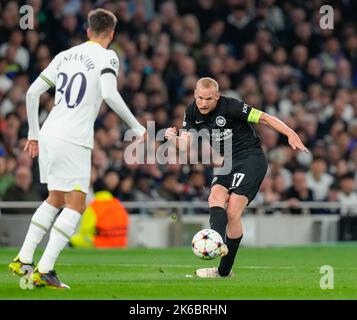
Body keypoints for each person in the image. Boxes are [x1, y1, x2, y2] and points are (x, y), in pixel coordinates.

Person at [8, 8, 146, 289]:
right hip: (73, 137)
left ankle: (23, 258)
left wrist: (33, 133)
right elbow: (109, 93)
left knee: (55, 198)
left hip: (49, 132)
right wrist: (136, 126)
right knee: (76, 204)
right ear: (112, 34)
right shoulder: (108, 56)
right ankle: (45, 269)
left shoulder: (64, 56)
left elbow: (32, 92)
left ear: (87, 31)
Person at [164, 77, 308, 278]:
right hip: (227, 162)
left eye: (208, 99)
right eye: (199, 98)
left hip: (251, 159)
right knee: (214, 197)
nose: (203, 103)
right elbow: (185, 144)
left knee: (232, 212)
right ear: (194, 95)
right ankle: (219, 247)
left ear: (217, 96)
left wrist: (290, 133)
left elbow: (265, 117)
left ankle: (221, 264)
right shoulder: (192, 111)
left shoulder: (231, 106)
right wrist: (173, 139)